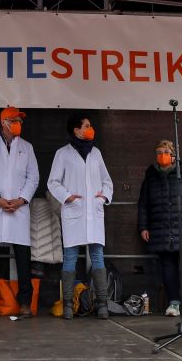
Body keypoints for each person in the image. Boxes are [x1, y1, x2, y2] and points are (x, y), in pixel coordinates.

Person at [47, 114, 113, 321]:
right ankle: (68, 304)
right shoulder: (62, 154)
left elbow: (107, 181)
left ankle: (102, 303)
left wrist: (103, 198)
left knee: (97, 257)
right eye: (86, 126)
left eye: (90, 125)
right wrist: (67, 197)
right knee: (70, 258)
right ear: (76, 130)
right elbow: (53, 182)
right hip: (74, 211)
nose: (90, 128)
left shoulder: (96, 153)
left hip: (93, 211)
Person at [0, 106, 39, 317]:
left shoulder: (27, 147)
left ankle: (25, 303)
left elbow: (33, 177)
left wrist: (21, 199)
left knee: (23, 258)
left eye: (20, 120)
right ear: (4, 123)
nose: (18, 124)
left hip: (19, 208)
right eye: (14, 120)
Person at [138, 139, 182, 318]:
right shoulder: (151, 177)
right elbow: (143, 204)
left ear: (174, 155)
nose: (162, 156)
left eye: (166, 153)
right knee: (168, 268)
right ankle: (174, 303)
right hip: (162, 228)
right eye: (159, 153)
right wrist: (143, 226)